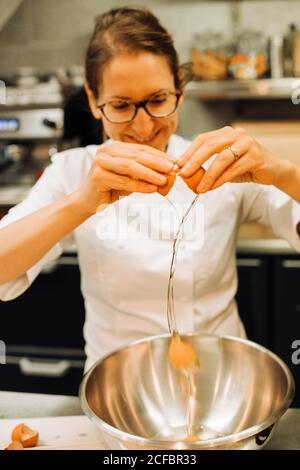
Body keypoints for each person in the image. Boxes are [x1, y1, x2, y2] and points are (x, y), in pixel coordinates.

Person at [0, 7, 300, 372]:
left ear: (179, 88)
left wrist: (283, 173)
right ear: (94, 101)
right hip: (120, 389)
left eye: (158, 100)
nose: (143, 127)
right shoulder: (73, 171)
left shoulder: (221, 165)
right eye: (121, 106)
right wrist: (81, 202)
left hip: (222, 380)